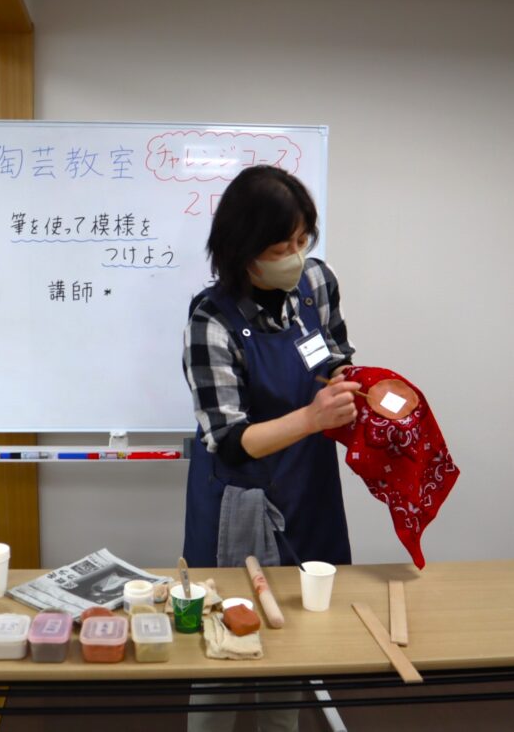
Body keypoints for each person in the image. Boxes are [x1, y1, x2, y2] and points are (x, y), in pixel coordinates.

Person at [181, 165, 359, 732]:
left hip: (308, 484)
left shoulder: (315, 283)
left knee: (293, 644)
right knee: (225, 642)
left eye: (303, 240)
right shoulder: (211, 321)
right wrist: (312, 417)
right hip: (241, 499)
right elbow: (231, 442)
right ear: (242, 252)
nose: (296, 257)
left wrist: (346, 382)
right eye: (280, 248)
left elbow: (331, 353)